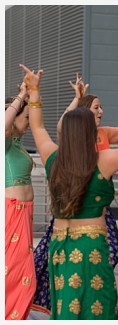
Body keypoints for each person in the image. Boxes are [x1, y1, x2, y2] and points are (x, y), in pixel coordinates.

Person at [26, 66, 118, 319]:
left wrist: (35, 92)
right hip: (91, 244)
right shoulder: (101, 161)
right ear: (88, 131)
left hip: (59, 245)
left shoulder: (53, 158)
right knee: (97, 307)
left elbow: (38, 129)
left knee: (67, 308)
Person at [6, 83, 36, 320]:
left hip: (24, 214)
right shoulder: (4, 144)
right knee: (12, 276)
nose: (28, 122)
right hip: (11, 213)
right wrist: (21, 96)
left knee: (24, 278)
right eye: (25, 117)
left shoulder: (16, 144)